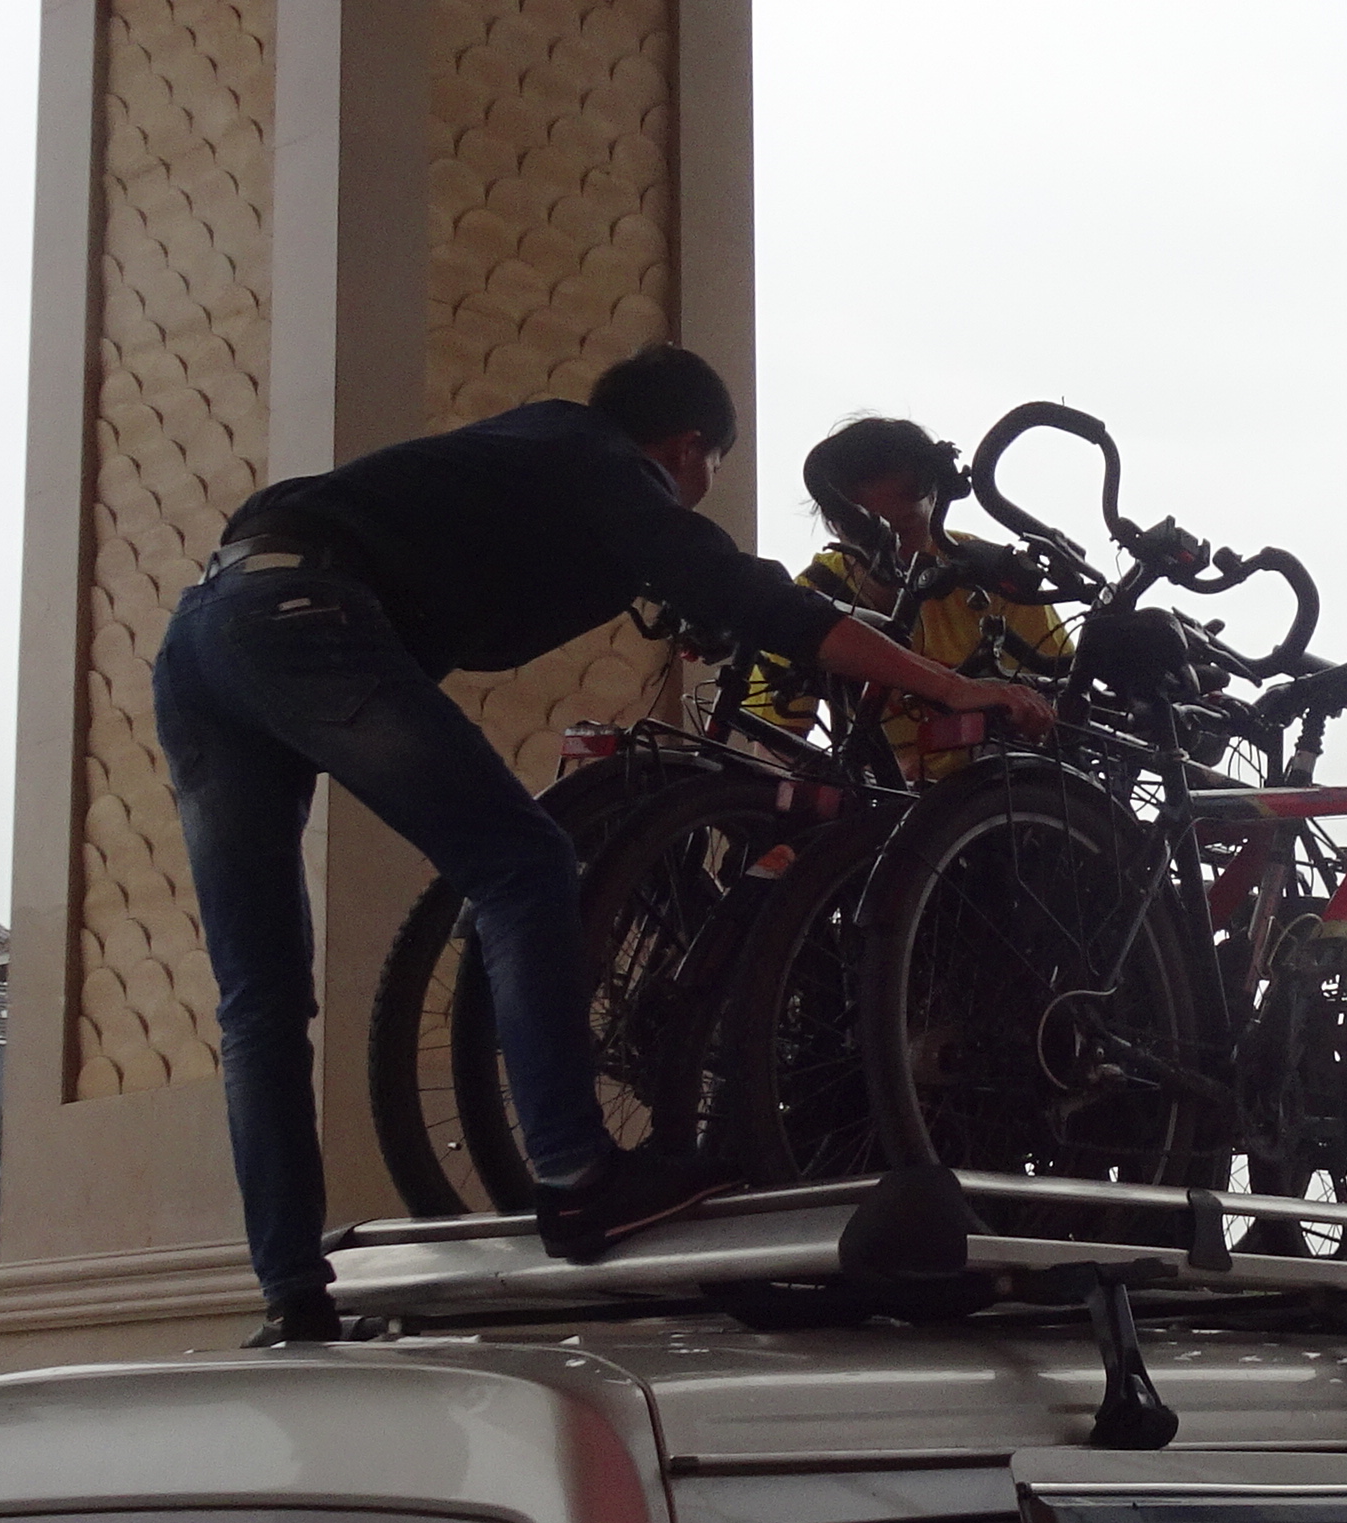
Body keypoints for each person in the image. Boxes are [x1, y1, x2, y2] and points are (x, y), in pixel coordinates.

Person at [156, 343, 1056, 1333]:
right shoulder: (605, 464)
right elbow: (763, 600)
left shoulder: (533, 450)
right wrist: (952, 686)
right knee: (525, 859)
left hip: (203, 637)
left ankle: (291, 1291)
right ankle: (579, 1175)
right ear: (688, 448)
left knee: (261, 998)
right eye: (707, 471)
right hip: (301, 618)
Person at [735, 414, 1075, 783]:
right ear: (836, 523)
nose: (891, 551)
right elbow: (776, 746)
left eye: (905, 529)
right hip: (884, 803)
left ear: (935, 501)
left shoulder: (991, 579)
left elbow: (1071, 695)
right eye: (869, 533)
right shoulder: (812, 597)